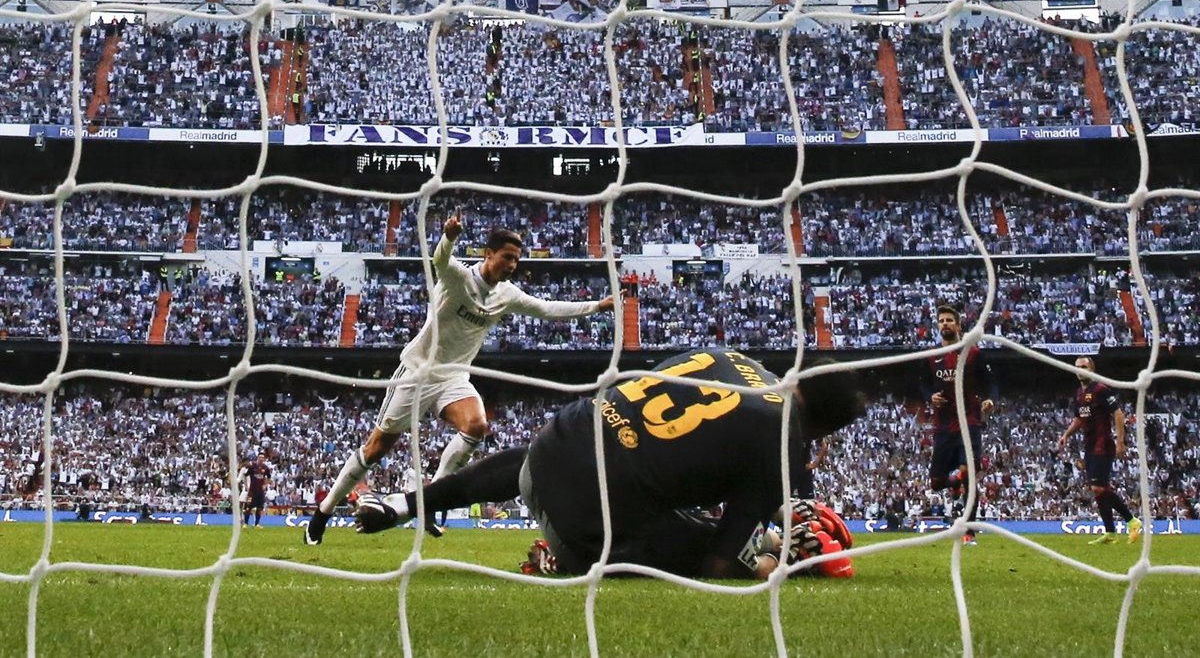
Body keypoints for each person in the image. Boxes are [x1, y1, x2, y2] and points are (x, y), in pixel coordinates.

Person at [352, 349, 866, 579]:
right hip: (587, 527)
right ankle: (560, 557)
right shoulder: (784, 440)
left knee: (580, 457)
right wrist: (778, 562)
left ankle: (405, 504)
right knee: (717, 545)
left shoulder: (730, 358)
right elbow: (718, 564)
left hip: (553, 445)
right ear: (827, 429)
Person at [304, 211, 618, 545]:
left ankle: (426, 501)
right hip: (418, 372)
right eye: (507, 257)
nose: (512, 265)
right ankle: (323, 512)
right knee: (376, 449)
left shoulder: (507, 294)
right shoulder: (458, 278)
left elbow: (546, 308)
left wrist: (597, 306)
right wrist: (449, 237)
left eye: (516, 259)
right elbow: (440, 260)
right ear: (489, 254)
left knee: (477, 426)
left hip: (453, 377)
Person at [918, 305, 995, 546]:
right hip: (943, 426)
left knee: (968, 471)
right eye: (941, 320)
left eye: (949, 320)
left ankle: (969, 530)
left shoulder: (973, 354)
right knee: (936, 483)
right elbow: (922, 384)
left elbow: (990, 382)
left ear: (959, 325)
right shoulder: (931, 356)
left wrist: (989, 399)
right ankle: (955, 484)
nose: (945, 324)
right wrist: (930, 396)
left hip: (969, 421)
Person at [1058, 357, 1142, 545]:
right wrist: (1066, 435)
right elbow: (1078, 419)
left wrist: (1120, 441)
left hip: (1102, 444)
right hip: (1089, 445)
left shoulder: (1101, 390)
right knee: (1100, 490)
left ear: (1092, 369)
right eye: (1077, 367)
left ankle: (1132, 521)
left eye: (1084, 366)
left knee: (1098, 487)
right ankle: (1110, 532)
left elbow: (1118, 413)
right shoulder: (1079, 393)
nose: (1080, 370)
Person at [240, 456, 271, 528]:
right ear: (258, 458)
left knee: (259, 508)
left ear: (264, 459)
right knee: (248, 507)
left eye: (262, 457)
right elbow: (245, 475)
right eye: (260, 457)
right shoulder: (252, 467)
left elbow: (269, 477)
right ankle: (246, 523)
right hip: (252, 491)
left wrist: (265, 485)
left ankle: (257, 524)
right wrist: (246, 485)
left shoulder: (265, 468)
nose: (261, 459)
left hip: (260, 491)